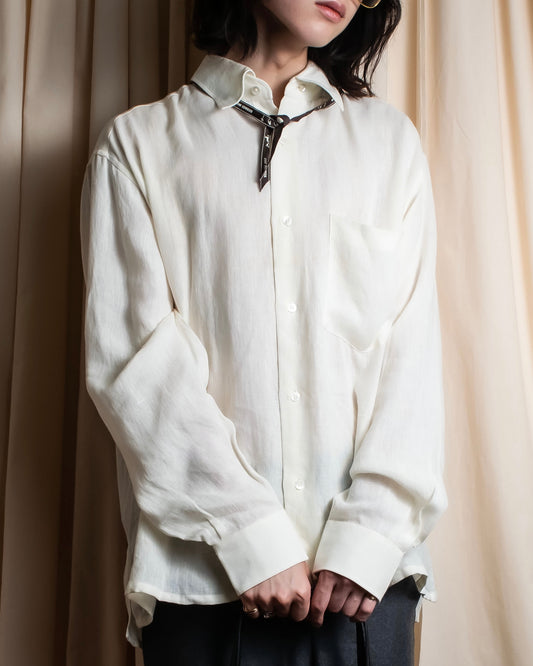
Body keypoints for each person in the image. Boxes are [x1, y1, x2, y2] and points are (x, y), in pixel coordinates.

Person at [80, 0, 447, 663]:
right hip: (202, 585)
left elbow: (411, 358)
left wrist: (369, 535)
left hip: (365, 589)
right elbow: (134, 363)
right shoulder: (138, 147)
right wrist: (248, 534)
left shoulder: (388, 144)